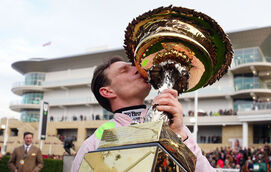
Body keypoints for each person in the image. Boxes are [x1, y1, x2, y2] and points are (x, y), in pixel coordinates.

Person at [71, 57, 215, 172]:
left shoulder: (176, 127)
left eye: (135, 65)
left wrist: (178, 137)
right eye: (124, 70)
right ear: (107, 91)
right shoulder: (93, 144)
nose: (138, 69)